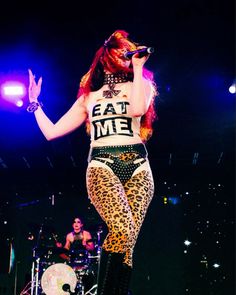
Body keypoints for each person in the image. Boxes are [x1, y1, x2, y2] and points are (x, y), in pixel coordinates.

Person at [28, 29, 158, 295]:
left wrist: (137, 68)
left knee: (128, 240)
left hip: (138, 167)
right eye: (120, 51)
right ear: (105, 56)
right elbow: (52, 132)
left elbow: (137, 110)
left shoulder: (140, 84)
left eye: (127, 51)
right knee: (121, 229)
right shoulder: (90, 97)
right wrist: (34, 103)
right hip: (102, 165)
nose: (124, 56)